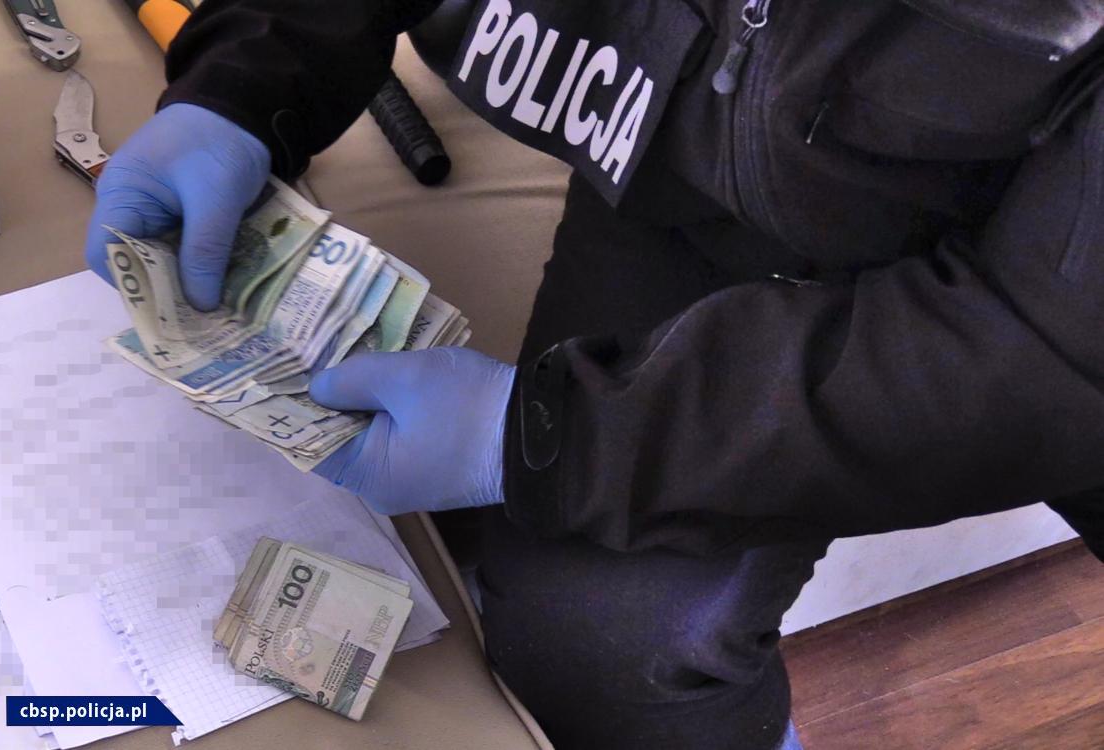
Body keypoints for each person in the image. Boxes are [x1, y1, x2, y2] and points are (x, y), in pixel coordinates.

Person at [84, 1, 1104, 748]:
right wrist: (245, 78)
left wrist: (553, 435)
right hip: (680, 167)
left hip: (1036, 292)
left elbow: (1044, 352)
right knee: (596, 645)